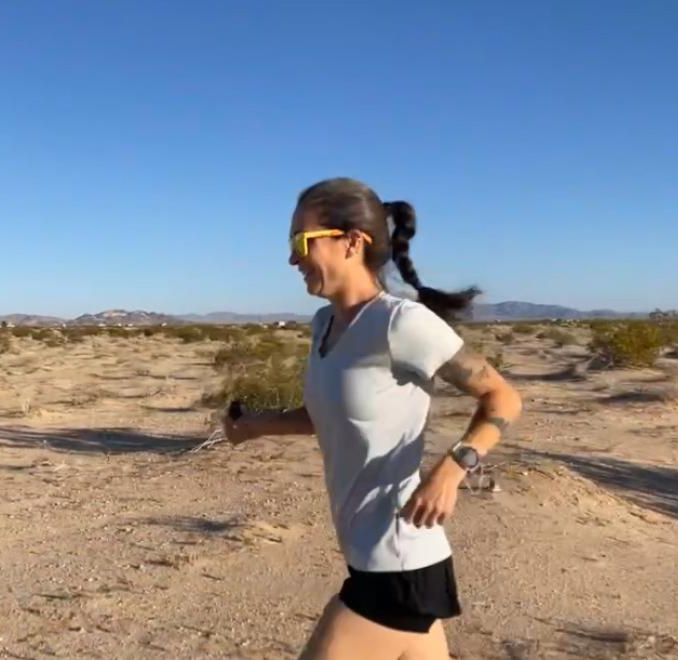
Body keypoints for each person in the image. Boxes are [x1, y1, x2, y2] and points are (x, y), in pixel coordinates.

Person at [223, 178, 522, 659]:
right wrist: (254, 425)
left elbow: (502, 398)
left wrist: (451, 470)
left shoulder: (401, 323)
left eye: (301, 242)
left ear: (352, 242)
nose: (292, 259)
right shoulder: (325, 326)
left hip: (399, 558)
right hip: (371, 554)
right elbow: (332, 416)